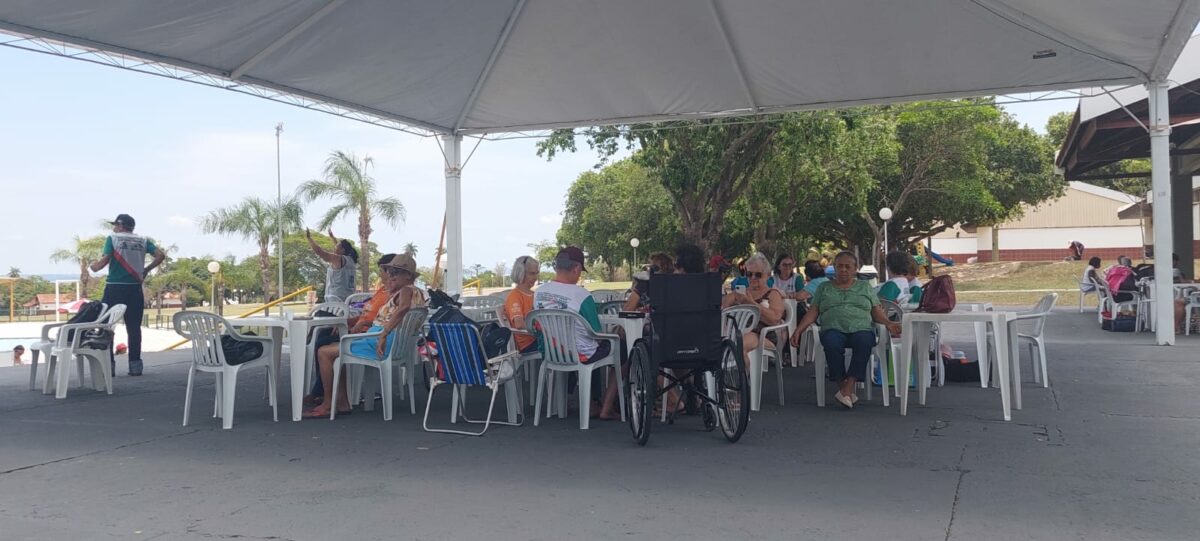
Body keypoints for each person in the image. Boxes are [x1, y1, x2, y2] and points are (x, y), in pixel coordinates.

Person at [306, 253, 424, 418]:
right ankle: (341, 402)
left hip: (380, 343)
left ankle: (327, 404)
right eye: (390, 271)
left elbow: (403, 308)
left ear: (409, 276)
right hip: (390, 343)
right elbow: (394, 316)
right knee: (333, 350)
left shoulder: (405, 290)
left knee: (324, 352)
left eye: (396, 272)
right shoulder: (418, 293)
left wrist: (384, 333)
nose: (391, 275)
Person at [790, 251, 901, 409]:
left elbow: (875, 311)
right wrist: (798, 330)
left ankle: (847, 388)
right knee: (831, 342)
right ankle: (845, 390)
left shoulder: (865, 287)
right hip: (833, 328)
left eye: (847, 266)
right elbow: (813, 311)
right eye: (839, 266)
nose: (843, 270)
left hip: (860, 328)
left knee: (864, 341)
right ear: (834, 268)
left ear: (855, 269)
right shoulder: (824, 287)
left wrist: (888, 323)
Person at [89, 213, 165, 376]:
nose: (114, 228)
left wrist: (93, 267)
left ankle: (109, 367)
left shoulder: (113, 239)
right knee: (134, 327)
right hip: (135, 288)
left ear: (120, 226)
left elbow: (103, 261)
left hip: (114, 287)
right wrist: (146, 270)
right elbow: (160, 255)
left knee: (106, 326)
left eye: (115, 225)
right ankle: (135, 366)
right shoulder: (143, 240)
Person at [722, 252, 786, 362]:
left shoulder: (773, 293)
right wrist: (733, 297)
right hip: (737, 333)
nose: (752, 278)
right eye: (749, 274)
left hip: (763, 335)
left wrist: (751, 303)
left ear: (767, 275)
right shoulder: (742, 293)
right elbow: (722, 309)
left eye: (758, 275)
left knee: (739, 345)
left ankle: (745, 378)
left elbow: (775, 319)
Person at [305, 228, 358, 302]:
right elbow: (339, 247)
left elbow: (319, 252)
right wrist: (332, 237)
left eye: (336, 247)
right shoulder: (351, 260)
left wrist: (309, 238)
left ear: (343, 250)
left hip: (335, 299)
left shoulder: (338, 259)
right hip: (348, 298)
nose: (334, 248)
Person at [504, 255, 541, 354]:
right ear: (521, 273)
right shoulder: (514, 296)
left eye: (536, 273)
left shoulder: (534, 294)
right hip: (528, 343)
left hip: (539, 339)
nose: (535, 278)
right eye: (532, 274)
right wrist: (541, 329)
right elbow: (519, 324)